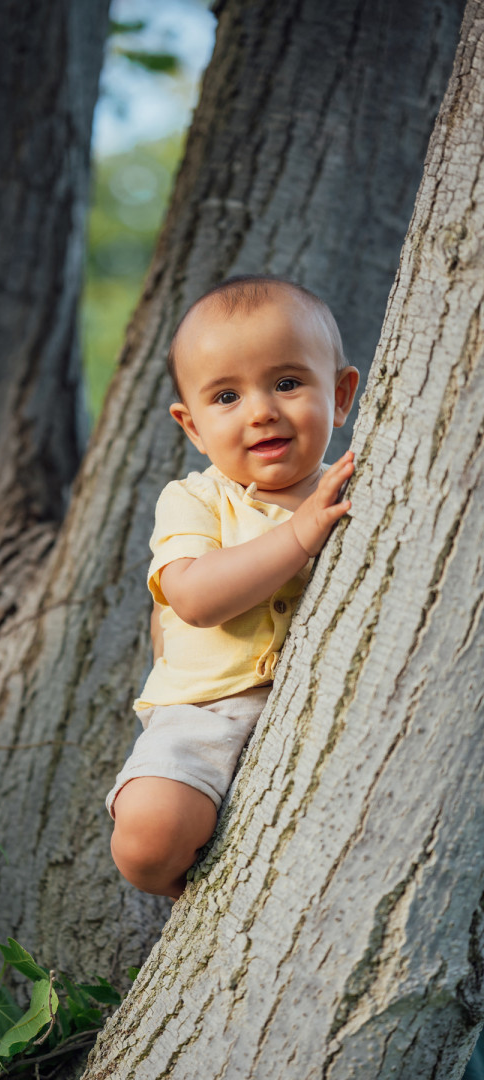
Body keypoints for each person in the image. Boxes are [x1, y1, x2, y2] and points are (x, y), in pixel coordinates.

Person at [107, 275, 360, 898]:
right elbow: (191, 597)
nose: (260, 411)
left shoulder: (356, 488)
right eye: (226, 396)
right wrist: (301, 533)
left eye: (287, 383)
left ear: (342, 394)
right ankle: (184, 890)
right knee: (146, 840)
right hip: (205, 712)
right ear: (192, 427)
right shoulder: (194, 499)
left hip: (321, 707)